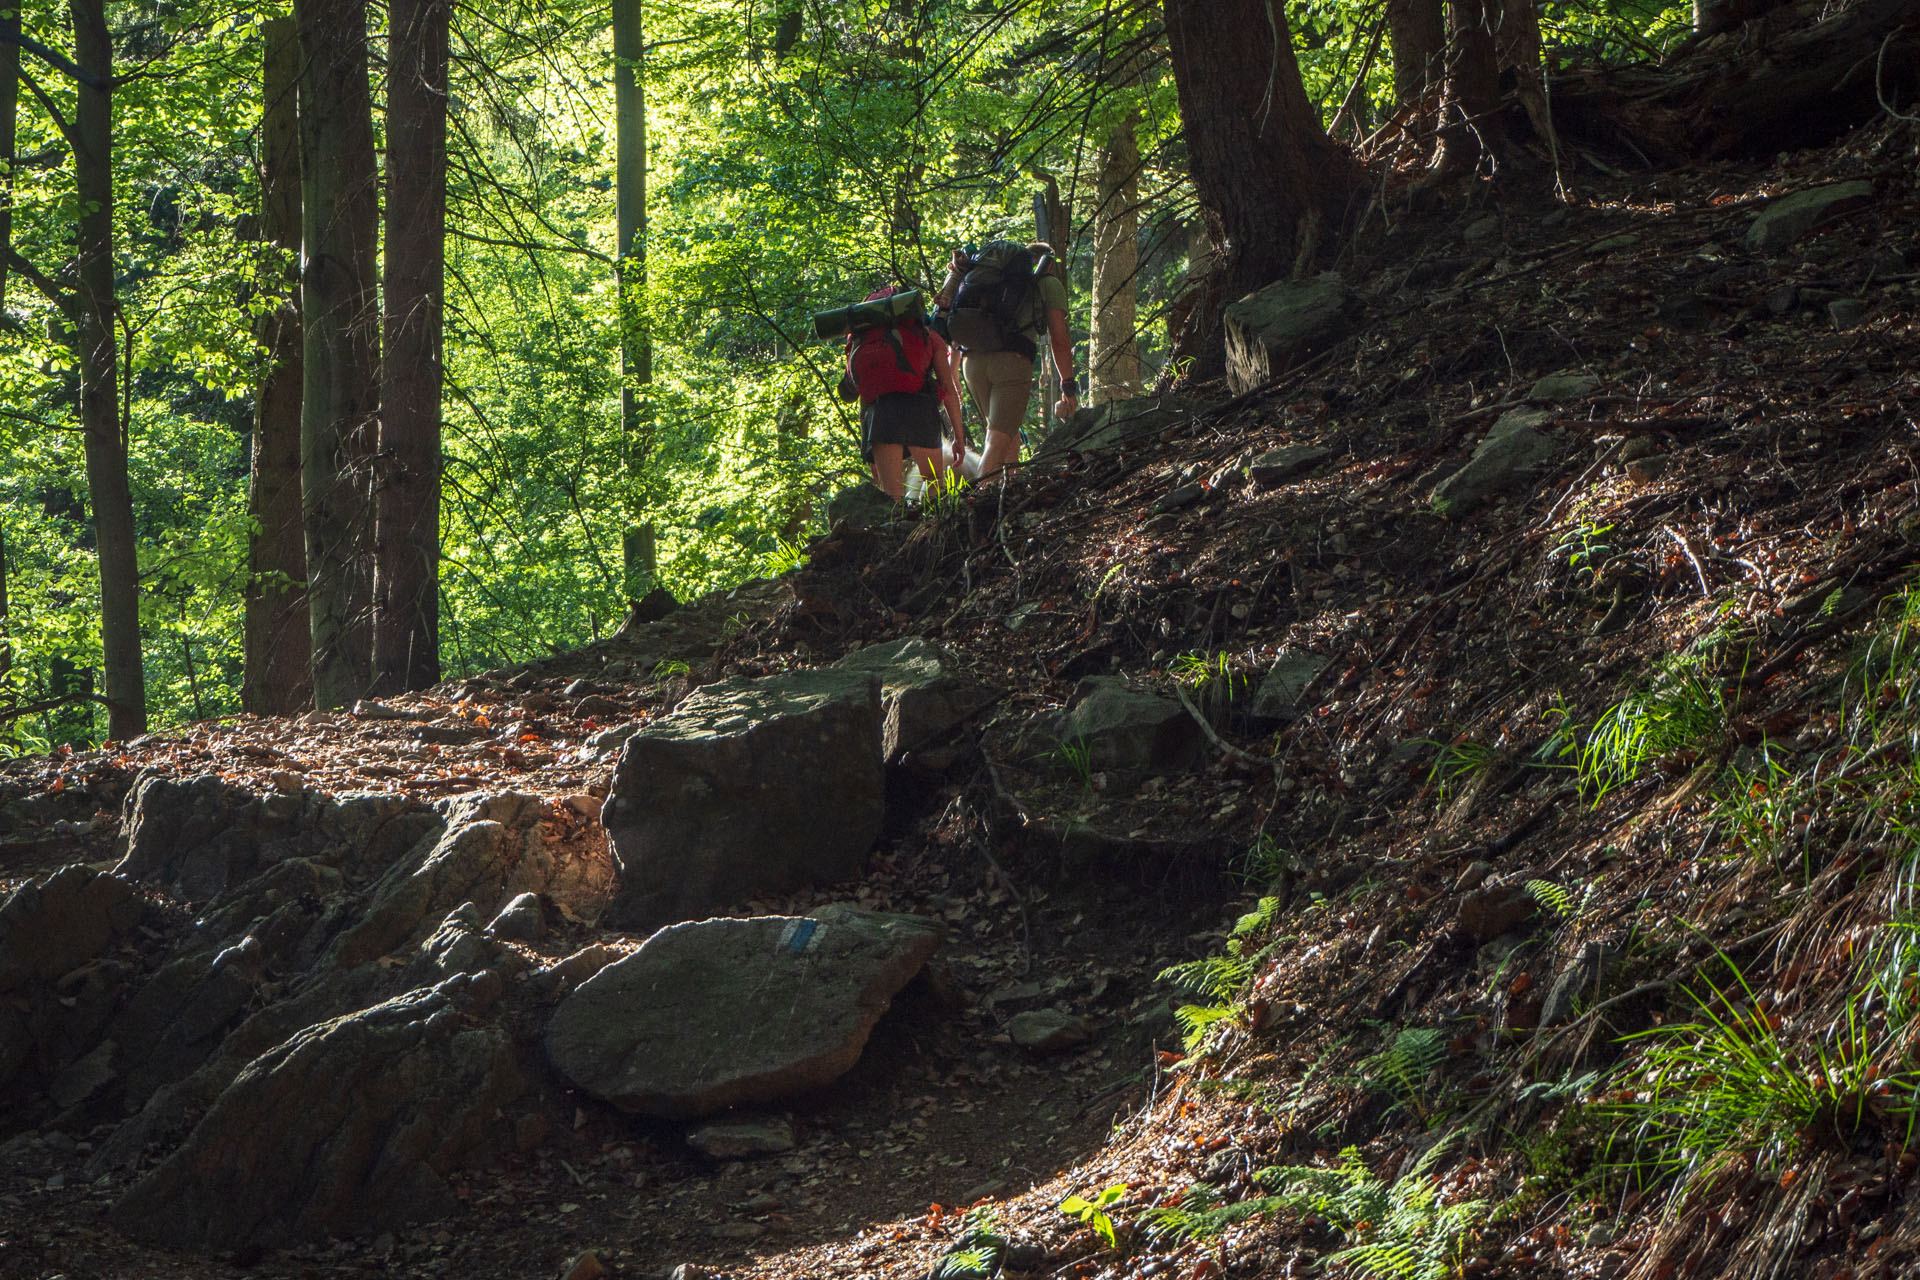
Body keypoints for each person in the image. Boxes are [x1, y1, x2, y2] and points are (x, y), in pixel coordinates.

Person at [933, 240, 1077, 480]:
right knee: (996, 442)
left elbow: (964, 322)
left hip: (973, 363)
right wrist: (1068, 386)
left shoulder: (987, 281)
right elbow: (1059, 339)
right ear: (1047, 264)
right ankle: (977, 500)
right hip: (1012, 361)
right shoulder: (1046, 282)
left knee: (1005, 432)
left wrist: (953, 373)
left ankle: (1008, 491)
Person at [846, 286, 968, 503]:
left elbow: (864, 393)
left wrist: (869, 448)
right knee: (933, 483)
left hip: (880, 415)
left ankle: (897, 534)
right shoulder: (929, 337)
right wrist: (958, 437)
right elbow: (948, 391)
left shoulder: (863, 340)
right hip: (920, 410)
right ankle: (934, 533)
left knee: (892, 497)